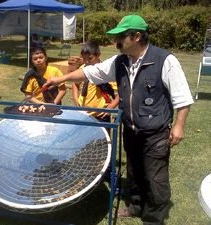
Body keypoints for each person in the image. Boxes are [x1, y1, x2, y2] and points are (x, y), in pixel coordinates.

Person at [43, 15, 194, 225]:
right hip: (131, 130)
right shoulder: (120, 61)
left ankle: (153, 219)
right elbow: (90, 72)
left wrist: (178, 126)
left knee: (155, 178)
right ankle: (135, 206)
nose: (117, 42)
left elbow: (182, 97)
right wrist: (61, 79)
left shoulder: (165, 60)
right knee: (134, 171)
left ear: (137, 36)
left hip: (155, 134)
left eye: (122, 37)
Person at [70, 40, 119, 122]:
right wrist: (75, 98)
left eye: (90, 58)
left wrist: (111, 106)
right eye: (84, 59)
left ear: (98, 55)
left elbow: (121, 92)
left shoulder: (106, 71)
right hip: (83, 114)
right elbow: (75, 83)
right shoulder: (82, 69)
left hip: (101, 116)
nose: (87, 61)